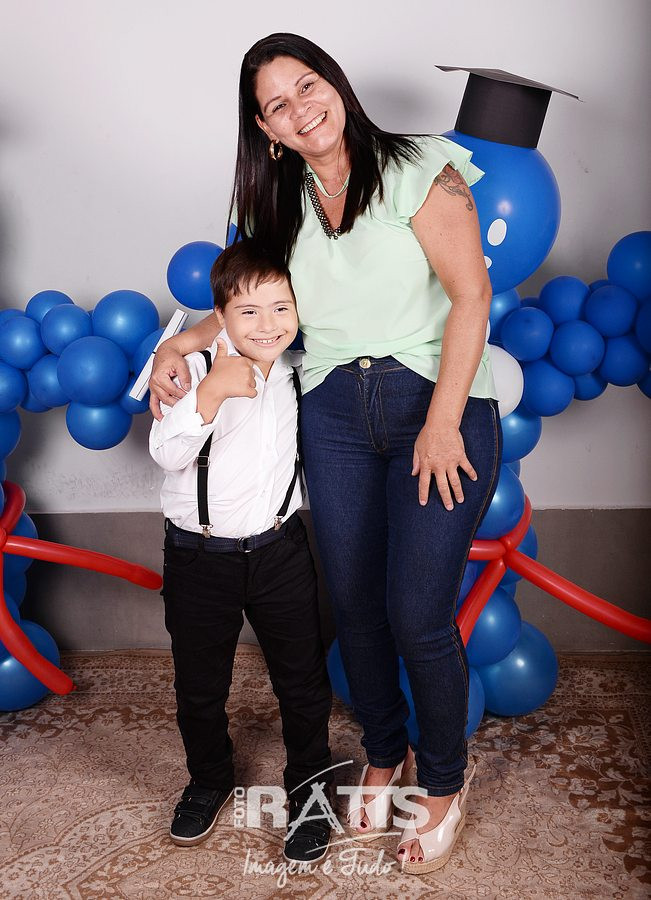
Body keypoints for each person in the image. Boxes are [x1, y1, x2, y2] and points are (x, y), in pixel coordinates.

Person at [150, 33, 502, 874]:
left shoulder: (420, 166)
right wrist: (179, 344)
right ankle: (384, 749)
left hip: (435, 401)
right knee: (353, 602)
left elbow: (471, 295)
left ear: (334, 85)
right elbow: (247, 306)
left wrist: (442, 421)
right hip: (335, 412)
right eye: (277, 104)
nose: (299, 109)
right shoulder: (275, 204)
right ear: (266, 129)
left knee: (416, 612)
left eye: (307, 86)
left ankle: (442, 780)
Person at [149, 240, 333, 863]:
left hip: (281, 552)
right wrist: (210, 393)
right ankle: (208, 778)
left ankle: (310, 788)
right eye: (248, 312)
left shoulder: (302, 369)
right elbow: (166, 453)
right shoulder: (190, 370)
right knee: (200, 685)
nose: (267, 324)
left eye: (281, 308)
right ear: (220, 318)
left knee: (302, 682)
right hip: (199, 558)